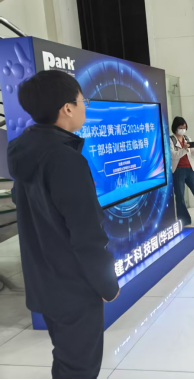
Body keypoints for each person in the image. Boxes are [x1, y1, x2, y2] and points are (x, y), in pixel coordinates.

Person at [7, 70, 120, 379]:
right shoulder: (65, 160)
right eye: (83, 101)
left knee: (67, 361)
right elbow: (87, 235)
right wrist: (107, 284)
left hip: (44, 282)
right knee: (80, 368)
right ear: (67, 108)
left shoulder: (24, 150)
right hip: (74, 288)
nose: (85, 107)